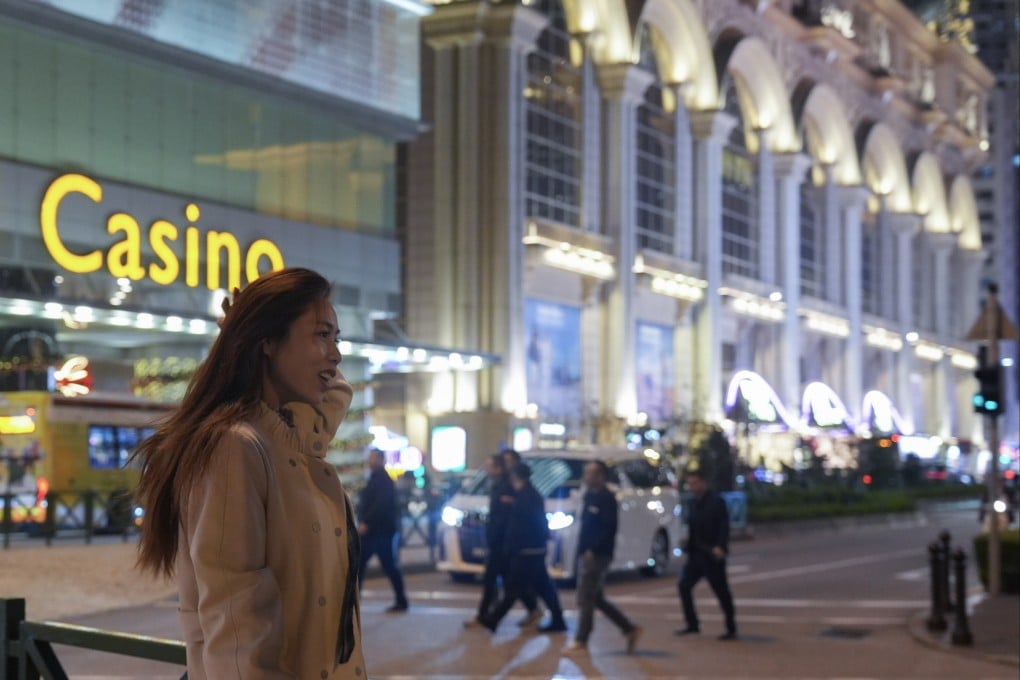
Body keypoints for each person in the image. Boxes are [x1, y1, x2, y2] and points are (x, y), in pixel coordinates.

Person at [131, 267, 367, 679]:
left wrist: (242, 327)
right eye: (322, 335)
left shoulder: (293, 439)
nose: (336, 354)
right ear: (268, 343)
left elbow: (336, 392)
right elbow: (237, 632)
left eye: (337, 338)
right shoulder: (234, 447)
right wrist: (244, 327)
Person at [564, 460, 642, 655]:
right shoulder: (589, 496)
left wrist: (593, 549)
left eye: (590, 473)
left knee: (586, 597)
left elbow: (608, 528)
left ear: (600, 476)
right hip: (587, 552)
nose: (585, 476)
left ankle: (581, 639)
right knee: (596, 597)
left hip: (598, 555)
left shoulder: (607, 498)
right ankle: (628, 628)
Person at [480, 462, 567, 634]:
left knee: (513, 587)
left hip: (527, 550)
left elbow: (523, 525)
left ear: (515, 477)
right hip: (533, 549)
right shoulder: (529, 495)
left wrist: (513, 547)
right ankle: (558, 619)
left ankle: (494, 619)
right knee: (543, 587)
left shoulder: (526, 497)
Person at [465, 453, 542, 628]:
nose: (487, 470)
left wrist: (504, 539)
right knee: (509, 582)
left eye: (489, 466)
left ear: (499, 469)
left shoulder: (508, 489)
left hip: (503, 543)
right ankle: (532, 608)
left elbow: (509, 518)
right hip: (500, 542)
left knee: (493, 580)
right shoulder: (498, 486)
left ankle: (486, 617)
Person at [676, 467, 738, 641]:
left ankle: (731, 626)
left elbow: (723, 526)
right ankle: (692, 623)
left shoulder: (716, 501)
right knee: (684, 586)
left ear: (703, 483)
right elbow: (692, 528)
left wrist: (721, 546)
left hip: (712, 554)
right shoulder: (693, 503)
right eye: (690, 484)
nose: (692, 487)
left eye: (695, 483)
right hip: (696, 554)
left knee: (721, 591)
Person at [358, 448, 409, 612]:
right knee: (359, 565)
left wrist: (366, 522)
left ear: (380, 460)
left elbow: (380, 505)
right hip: (376, 531)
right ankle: (354, 600)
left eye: (373, 458)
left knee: (388, 565)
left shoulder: (383, 479)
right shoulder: (376, 478)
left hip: (380, 531)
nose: (370, 461)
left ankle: (401, 600)